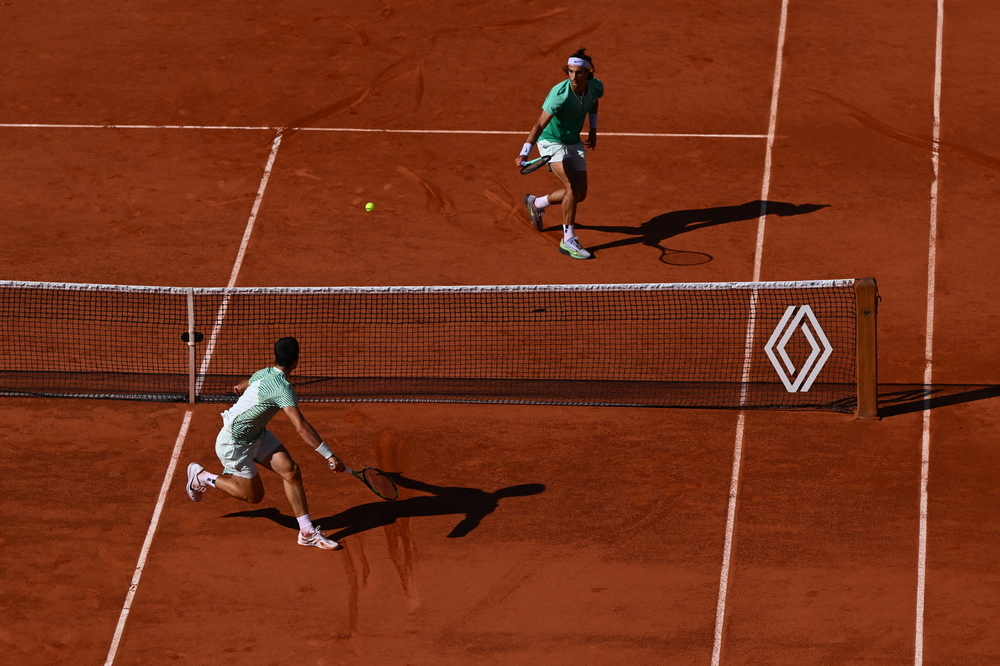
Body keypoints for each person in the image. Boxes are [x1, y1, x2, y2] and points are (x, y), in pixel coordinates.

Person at [185, 337, 347, 551]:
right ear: (296, 361)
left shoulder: (265, 372)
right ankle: (203, 477)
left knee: (290, 471)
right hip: (233, 445)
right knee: (254, 497)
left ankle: (307, 532)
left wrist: (239, 387)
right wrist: (329, 455)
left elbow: (246, 383)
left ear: (276, 357)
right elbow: (301, 427)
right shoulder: (283, 389)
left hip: (257, 436)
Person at [517, 48, 604, 260]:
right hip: (551, 141)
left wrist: (593, 128)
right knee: (572, 186)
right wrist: (524, 152)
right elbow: (539, 124)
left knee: (579, 194)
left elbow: (594, 100)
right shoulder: (559, 95)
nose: (574, 77)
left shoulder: (595, 86)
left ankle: (537, 203)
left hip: (572, 141)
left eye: (579, 72)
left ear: (588, 72)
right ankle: (568, 240)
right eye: (570, 72)